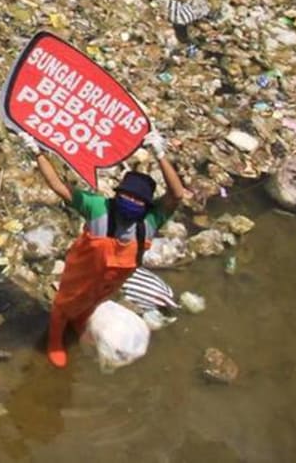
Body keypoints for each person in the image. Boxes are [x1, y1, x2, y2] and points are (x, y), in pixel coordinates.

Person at [17, 129, 188, 368]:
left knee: (94, 301)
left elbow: (177, 194)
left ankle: (80, 318)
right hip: (83, 271)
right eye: (127, 196)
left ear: (146, 205)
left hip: (113, 280)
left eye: (138, 200)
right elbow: (58, 186)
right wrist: (37, 154)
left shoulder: (149, 221)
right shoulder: (98, 208)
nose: (132, 202)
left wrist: (159, 154)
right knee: (65, 303)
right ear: (118, 196)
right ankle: (55, 338)